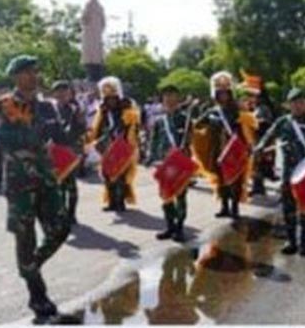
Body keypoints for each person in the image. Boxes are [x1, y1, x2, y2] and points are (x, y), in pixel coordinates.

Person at [0, 55, 70, 322]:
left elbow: (61, 137)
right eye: (27, 72)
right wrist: (36, 135)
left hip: (47, 180)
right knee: (25, 238)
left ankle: (31, 266)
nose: (33, 76)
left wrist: (79, 126)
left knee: (61, 228)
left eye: (35, 72)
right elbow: (5, 138)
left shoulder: (48, 107)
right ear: (16, 76)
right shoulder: (5, 104)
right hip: (20, 183)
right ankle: (38, 296)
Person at [254, 88, 305, 256]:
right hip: (288, 172)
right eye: (294, 103)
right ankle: (291, 241)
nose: (298, 106)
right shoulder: (283, 122)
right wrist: (260, 147)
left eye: (301, 102)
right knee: (288, 208)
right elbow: (268, 136)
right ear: (289, 105)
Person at [193, 71, 257, 220]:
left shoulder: (237, 109)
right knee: (222, 180)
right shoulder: (212, 111)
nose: (223, 96)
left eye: (225, 93)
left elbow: (248, 128)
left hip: (235, 149)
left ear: (229, 93)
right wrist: (209, 118)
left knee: (235, 180)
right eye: (220, 93)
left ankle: (235, 208)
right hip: (218, 150)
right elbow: (198, 124)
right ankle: (224, 206)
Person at [88, 76, 141, 214]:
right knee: (107, 174)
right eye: (107, 96)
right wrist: (96, 140)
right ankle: (112, 202)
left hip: (122, 145)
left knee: (121, 174)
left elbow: (133, 126)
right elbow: (97, 127)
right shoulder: (103, 110)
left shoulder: (126, 107)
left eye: (112, 96)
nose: (110, 100)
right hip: (107, 147)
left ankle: (121, 202)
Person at [147, 83, 193, 241]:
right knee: (166, 196)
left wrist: (185, 146)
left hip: (180, 162)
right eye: (166, 96)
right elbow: (153, 140)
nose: (169, 99)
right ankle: (170, 226)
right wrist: (150, 156)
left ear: (178, 98)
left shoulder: (185, 119)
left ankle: (179, 227)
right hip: (164, 162)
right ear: (163, 100)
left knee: (180, 195)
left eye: (173, 96)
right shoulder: (159, 121)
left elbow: (190, 139)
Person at [49, 80, 85, 227]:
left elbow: (82, 130)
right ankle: (60, 213)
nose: (62, 94)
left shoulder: (75, 109)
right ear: (54, 94)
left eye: (65, 91)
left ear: (70, 94)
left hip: (70, 152)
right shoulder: (50, 109)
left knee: (71, 185)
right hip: (55, 151)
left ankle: (71, 214)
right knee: (58, 185)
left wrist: (80, 150)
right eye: (58, 91)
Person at [79, 0, 105, 82]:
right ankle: (95, 76)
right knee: (96, 56)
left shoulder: (89, 5)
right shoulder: (100, 7)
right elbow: (103, 23)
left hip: (89, 36)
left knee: (89, 56)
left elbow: (84, 18)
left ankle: (91, 77)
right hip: (97, 36)